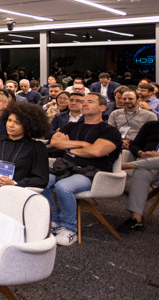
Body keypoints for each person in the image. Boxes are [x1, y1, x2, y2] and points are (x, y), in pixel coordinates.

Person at [44, 93, 122, 246]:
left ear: (102, 107)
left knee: (63, 187)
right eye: (83, 101)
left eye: (89, 102)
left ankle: (69, 229)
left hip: (92, 173)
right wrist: (85, 145)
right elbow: (55, 142)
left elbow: (96, 152)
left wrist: (70, 147)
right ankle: (55, 221)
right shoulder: (71, 126)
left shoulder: (110, 131)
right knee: (41, 181)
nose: (84, 104)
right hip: (65, 168)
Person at [118, 120, 159, 232]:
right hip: (149, 167)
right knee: (141, 172)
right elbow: (134, 145)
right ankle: (136, 219)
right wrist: (141, 153)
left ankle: (127, 165)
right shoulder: (151, 126)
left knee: (143, 166)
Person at [108, 89, 157, 156]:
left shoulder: (150, 115)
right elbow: (110, 132)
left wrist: (134, 145)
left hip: (139, 147)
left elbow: (152, 138)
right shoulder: (115, 113)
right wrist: (120, 142)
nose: (127, 101)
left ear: (138, 100)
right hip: (118, 145)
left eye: (130, 99)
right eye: (124, 99)